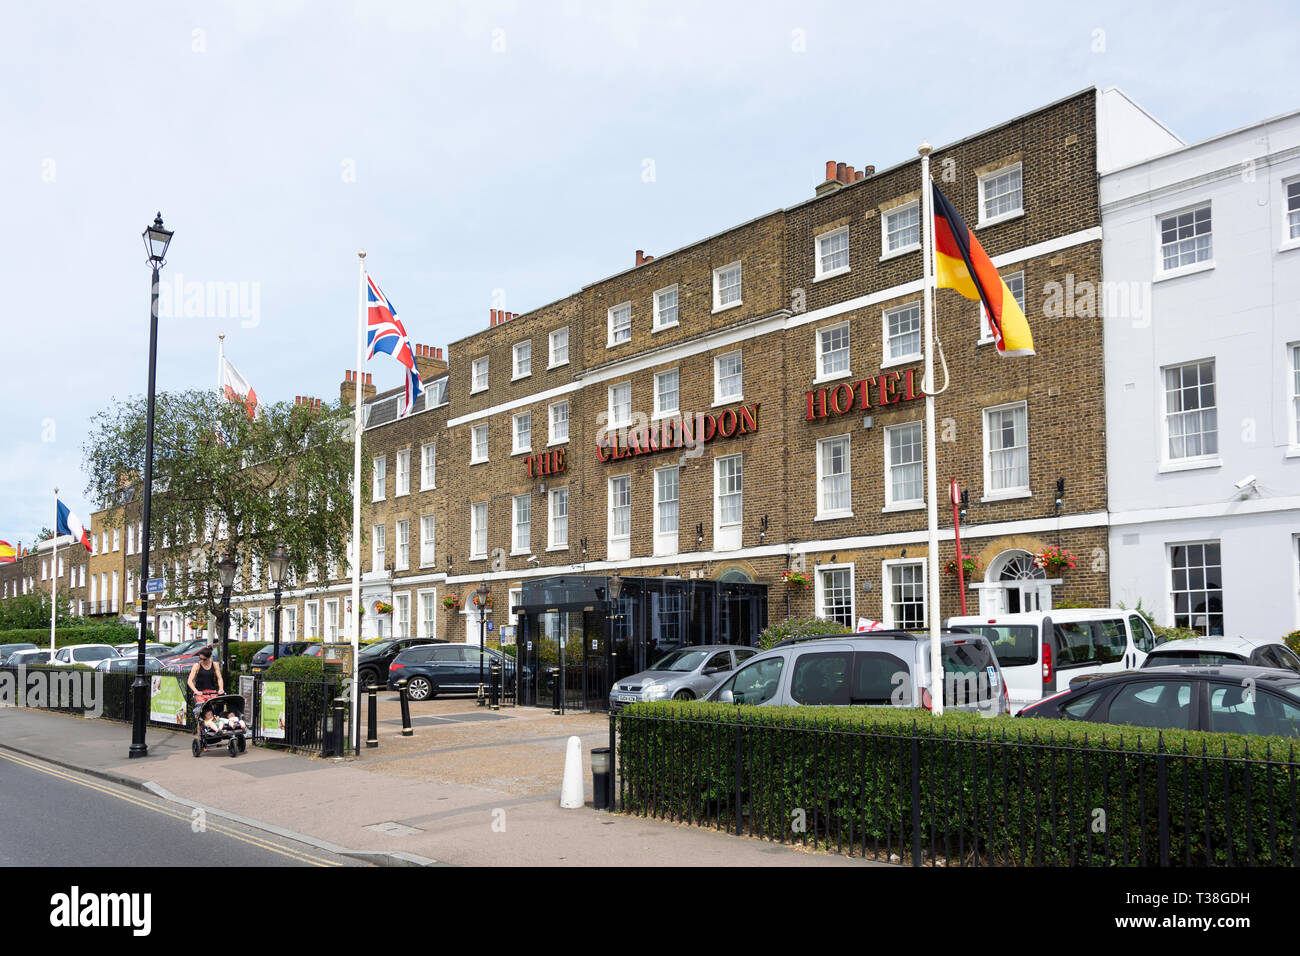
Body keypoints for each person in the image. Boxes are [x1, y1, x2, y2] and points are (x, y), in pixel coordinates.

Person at [187, 645, 223, 738]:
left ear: (209, 658)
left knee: (216, 711)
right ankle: (201, 736)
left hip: (211, 692)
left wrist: (221, 689)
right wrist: (196, 691)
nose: (201, 660)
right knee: (201, 714)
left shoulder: (214, 665)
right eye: (200, 658)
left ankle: (213, 726)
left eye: (204, 659)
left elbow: (219, 678)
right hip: (201, 693)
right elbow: (189, 681)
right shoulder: (197, 665)